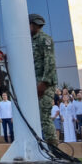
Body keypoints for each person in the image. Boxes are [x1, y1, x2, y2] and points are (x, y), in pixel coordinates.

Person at [29, 14, 60, 146]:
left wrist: (44, 83)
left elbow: (50, 62)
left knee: (44, 116)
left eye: (37, 25)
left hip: (44, 84)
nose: (35, 27)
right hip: (32, 83)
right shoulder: (26, 41)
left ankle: (54, 149)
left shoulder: (45, 39)